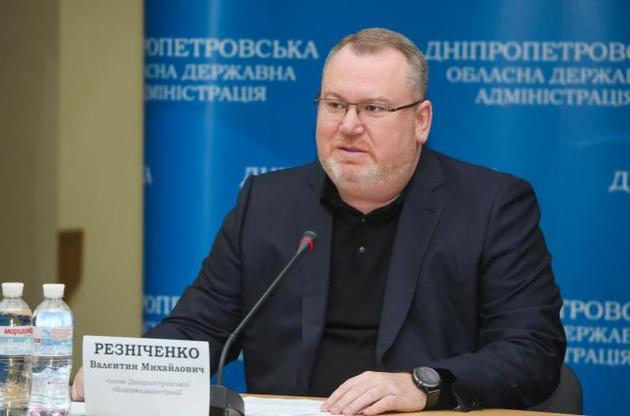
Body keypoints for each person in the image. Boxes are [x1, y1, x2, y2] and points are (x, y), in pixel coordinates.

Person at [72, 28, 566, 415]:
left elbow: (533, 350)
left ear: (421, 121)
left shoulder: (490, 205)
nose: (348, 125)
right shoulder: (267, 201)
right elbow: (200, 326)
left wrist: (422, 384)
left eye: (373, 108)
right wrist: (121, 374)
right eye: (335, 105)